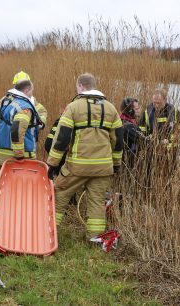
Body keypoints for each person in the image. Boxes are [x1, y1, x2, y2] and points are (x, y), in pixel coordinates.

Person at [47, 73, 124, 240]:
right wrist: (116, 164)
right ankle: (95, 237)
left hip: (77, 166)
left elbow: (61, 138)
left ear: (81, 86)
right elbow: (118, 140)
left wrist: (52, 163)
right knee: (96, 202)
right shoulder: (111, 108)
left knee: (60, 194)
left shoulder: (73, 107)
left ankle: (49, 232)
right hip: (103, 168)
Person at [0, 79, 42, 165]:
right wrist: (19, 156)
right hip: (20, 158)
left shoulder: (5, 101)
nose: (32, 93)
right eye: (32, 90)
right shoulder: (24, 107)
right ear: (26, 90)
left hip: (2, 154)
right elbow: (18, 131)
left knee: (5, 178)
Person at [0, 71, 47, 135]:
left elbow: (42, 111)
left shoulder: (32, 100)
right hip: (9, 137)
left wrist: (39, 124)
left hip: (27, 137)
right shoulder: (6, 100)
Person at [119, 97, 146, 169]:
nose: (139, 110)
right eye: (136, 109)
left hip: (123, 160)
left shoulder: (121, 120)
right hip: (127, 163)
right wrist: (159, 141)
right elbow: (144, 141)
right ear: (130, 111)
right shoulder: (129, 127)